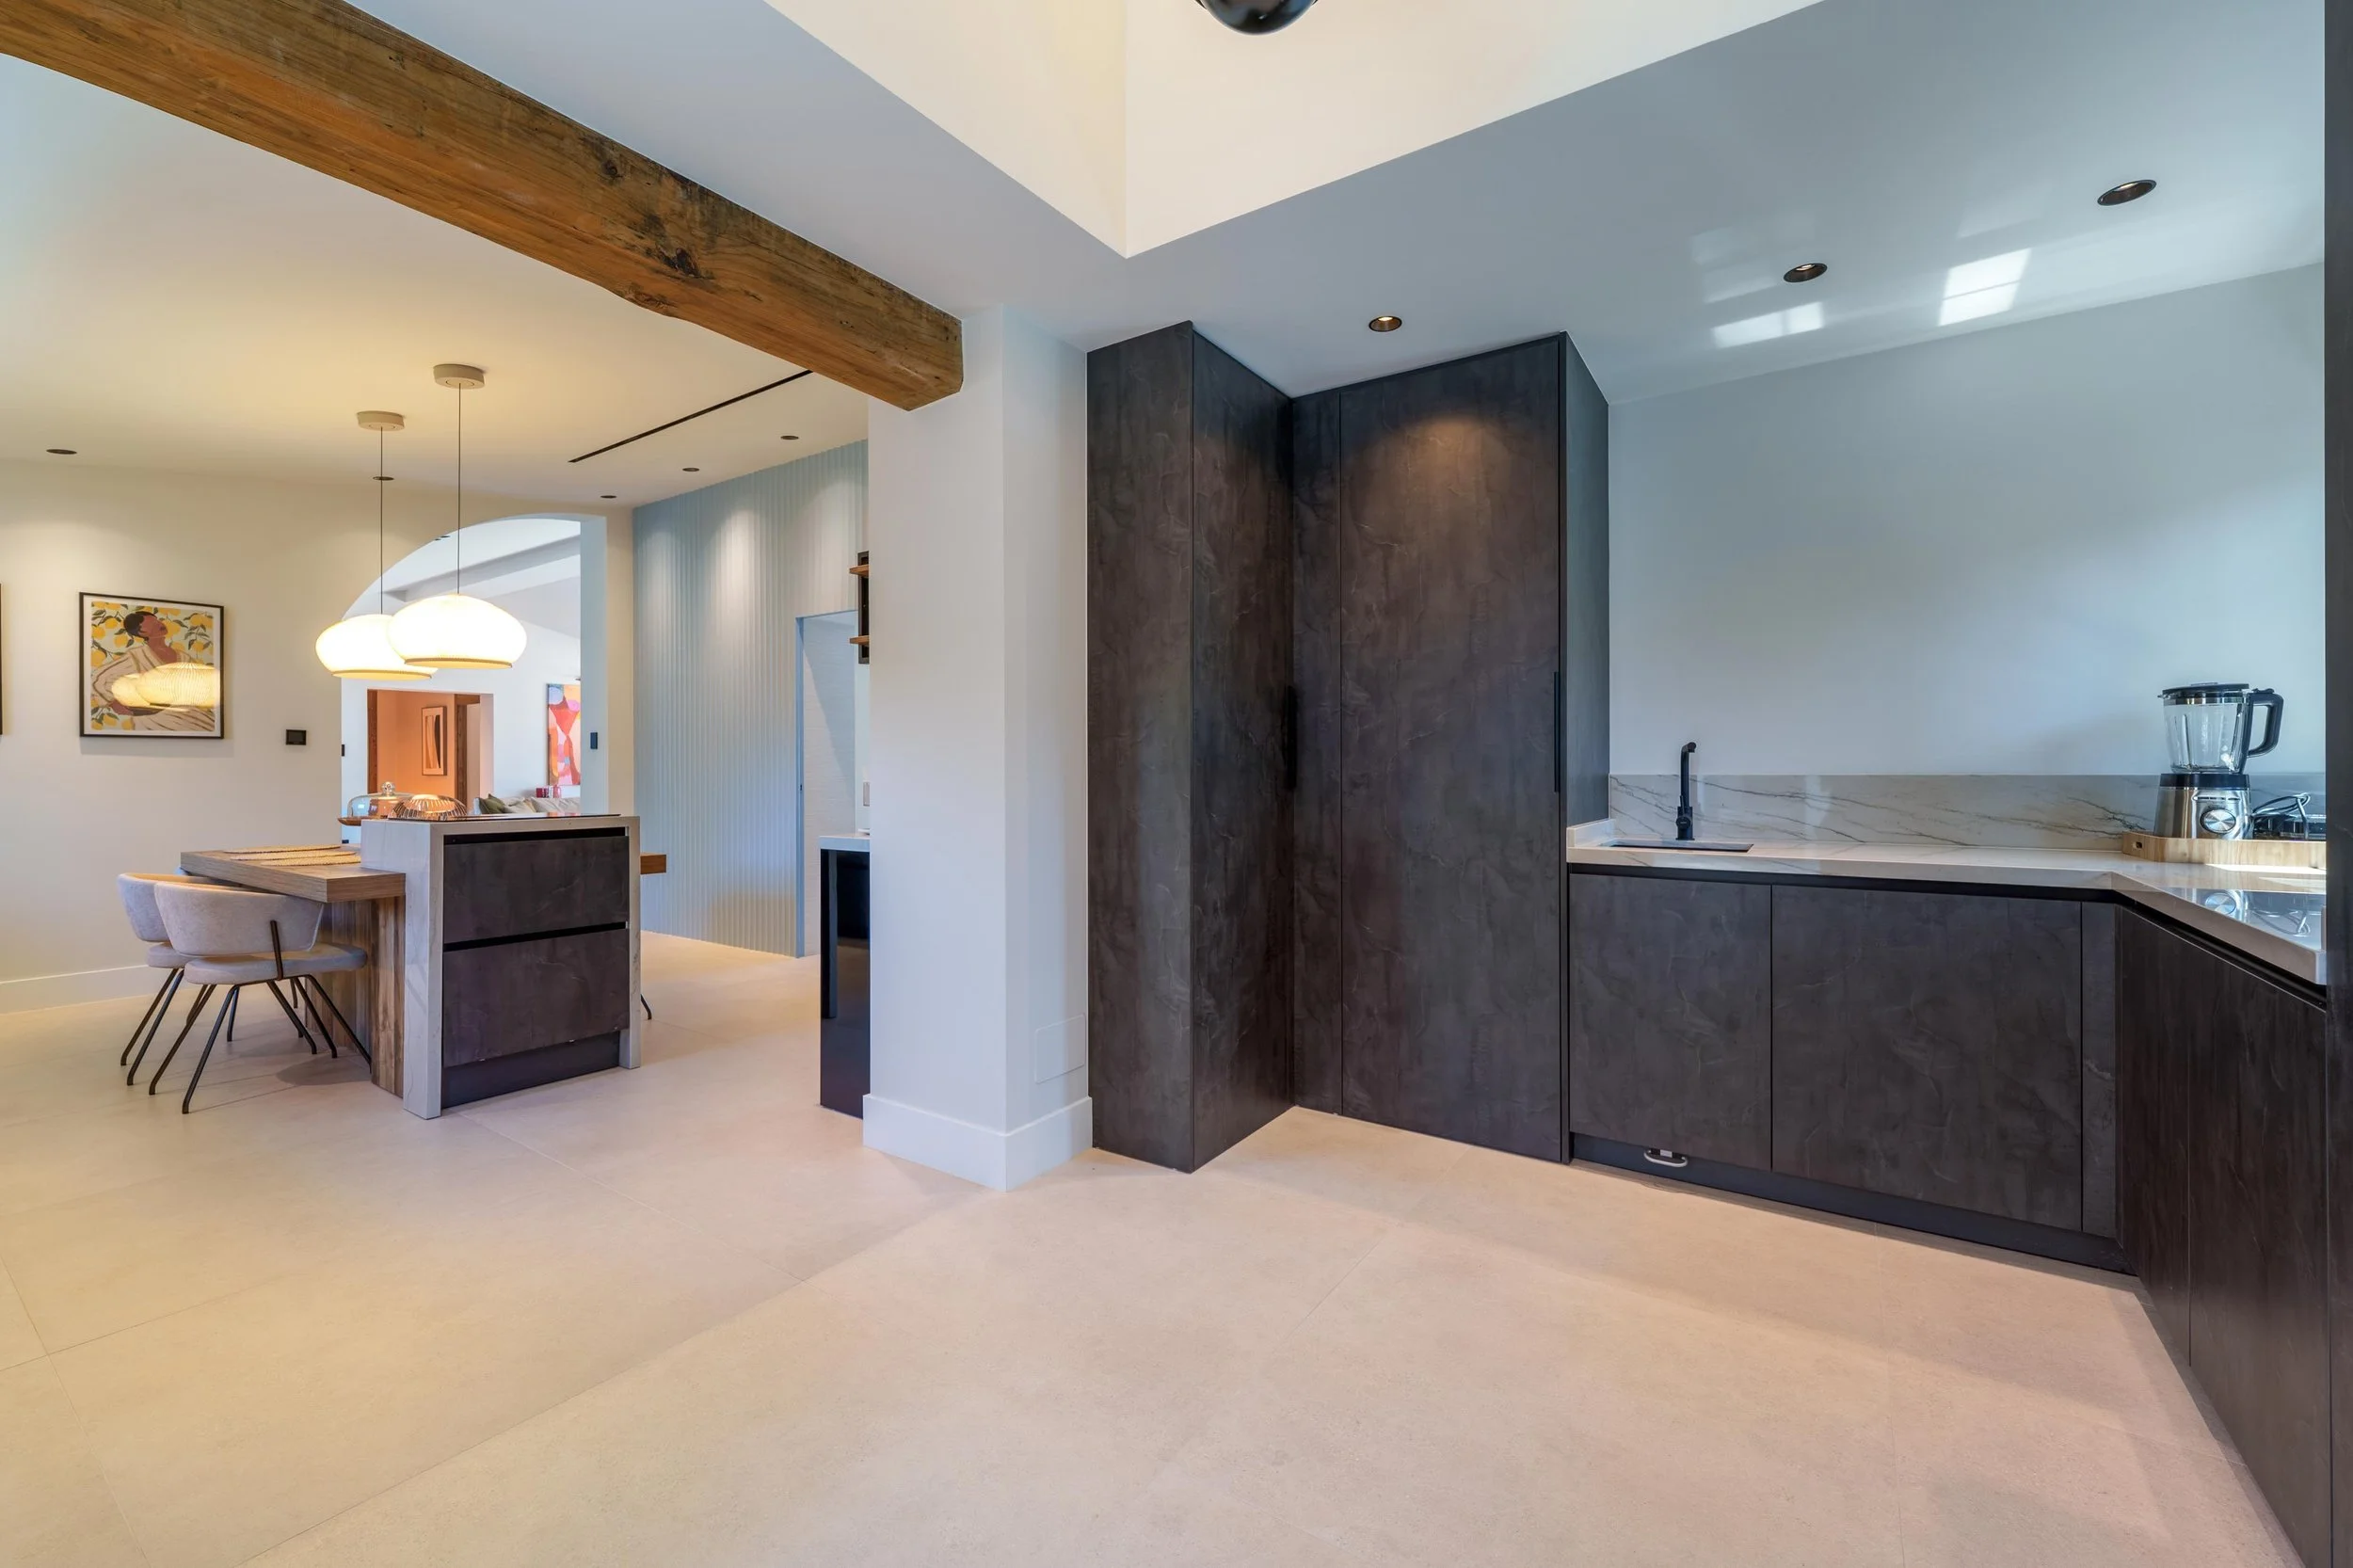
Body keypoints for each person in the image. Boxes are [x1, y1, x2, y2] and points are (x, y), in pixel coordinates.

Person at [92, 609, 215, 733]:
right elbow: (98, 678)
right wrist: (115, 704)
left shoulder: (183, 657)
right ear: (142, 632)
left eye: (158, 621)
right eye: (153, 624)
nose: (160, 624)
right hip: (156, 720)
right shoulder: (137, 656)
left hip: (191, 715)